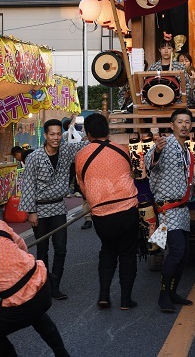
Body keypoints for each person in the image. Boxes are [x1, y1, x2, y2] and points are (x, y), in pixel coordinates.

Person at [75, 113, 139, 310]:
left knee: (108, 250)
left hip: (101, 213)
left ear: (87, 133)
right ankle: (126, 300)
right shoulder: (122, 151)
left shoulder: (81, 156)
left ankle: (104, 296)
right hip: (127, 208)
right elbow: (130, 173)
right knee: (128, 254)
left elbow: (83, 187)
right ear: (107, 130)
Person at [19, 119, 87, 300]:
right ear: (46, 135)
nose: (56, 138)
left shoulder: (66, 151)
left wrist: (96, 126)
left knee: (61, 248)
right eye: (52, 134)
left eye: (58, 134)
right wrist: (31, 211)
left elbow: (86, 144)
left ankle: (55, 285)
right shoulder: (34, 157)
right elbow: (27, 185)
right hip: (39, 209)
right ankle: (43, 285)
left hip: (58, 207)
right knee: (42, 250)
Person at [144, 108, 195, 313]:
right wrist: (157, 151)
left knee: (184, 254)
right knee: (177, 252)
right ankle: (163, 295)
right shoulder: (165, 143)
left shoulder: (186, 151)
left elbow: (187, 180)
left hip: (183, 208)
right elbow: (149, 163)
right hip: (168, 209)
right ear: (172, 125)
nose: (184, 125)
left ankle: (172, 292)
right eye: (180, 122)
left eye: (188, 122)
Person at [0, 220, 70, 357]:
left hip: (18, 300)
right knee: (35, 313)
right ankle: (62, 353)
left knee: (24, 306)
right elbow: (21, 246)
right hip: (40, 284)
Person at [149, 40, 195, 108]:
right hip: (158, 103)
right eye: (163, 48)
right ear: (159, 50)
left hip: (176, 103)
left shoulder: (180, 67)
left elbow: (186, 85)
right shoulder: (153, 67)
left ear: (173, 50)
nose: (166, 51)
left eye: (169, 48)